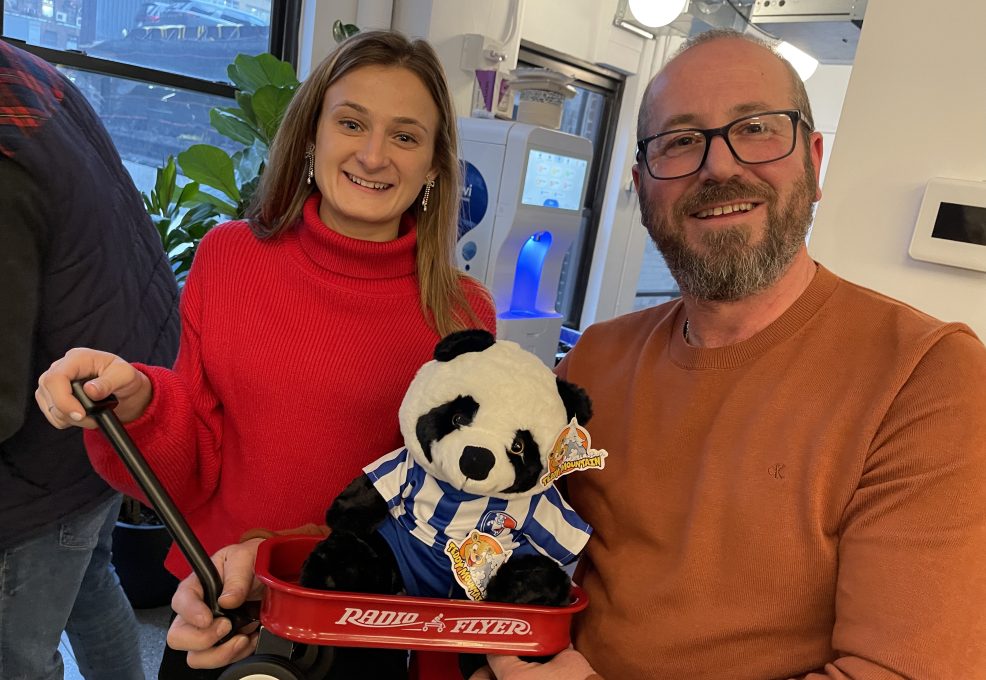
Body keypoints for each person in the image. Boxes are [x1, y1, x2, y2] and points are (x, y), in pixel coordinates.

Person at [162, 27, 986, 680]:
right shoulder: (596, 361)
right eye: (679, 142)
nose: (717, 166)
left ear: (812, 157)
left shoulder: (926, 379)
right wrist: (269, 563)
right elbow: (466, 519)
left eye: (756, 130)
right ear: (641, 180)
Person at [36, 29, 496, 678]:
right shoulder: (229, 259)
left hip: (365, 627)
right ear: (311, 135)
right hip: (223, 613)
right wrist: (139, 400)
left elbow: (453, 508)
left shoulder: (463, 313)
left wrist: (289, 559)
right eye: (351, 122)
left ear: (435, 166)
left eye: (405, 135)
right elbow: (194, 450)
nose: (372, 154)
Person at [0, 39, 180, 680]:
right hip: (116, 375)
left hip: (52, 436)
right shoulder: (24, 74)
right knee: (87, 577)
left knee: (14, 647)